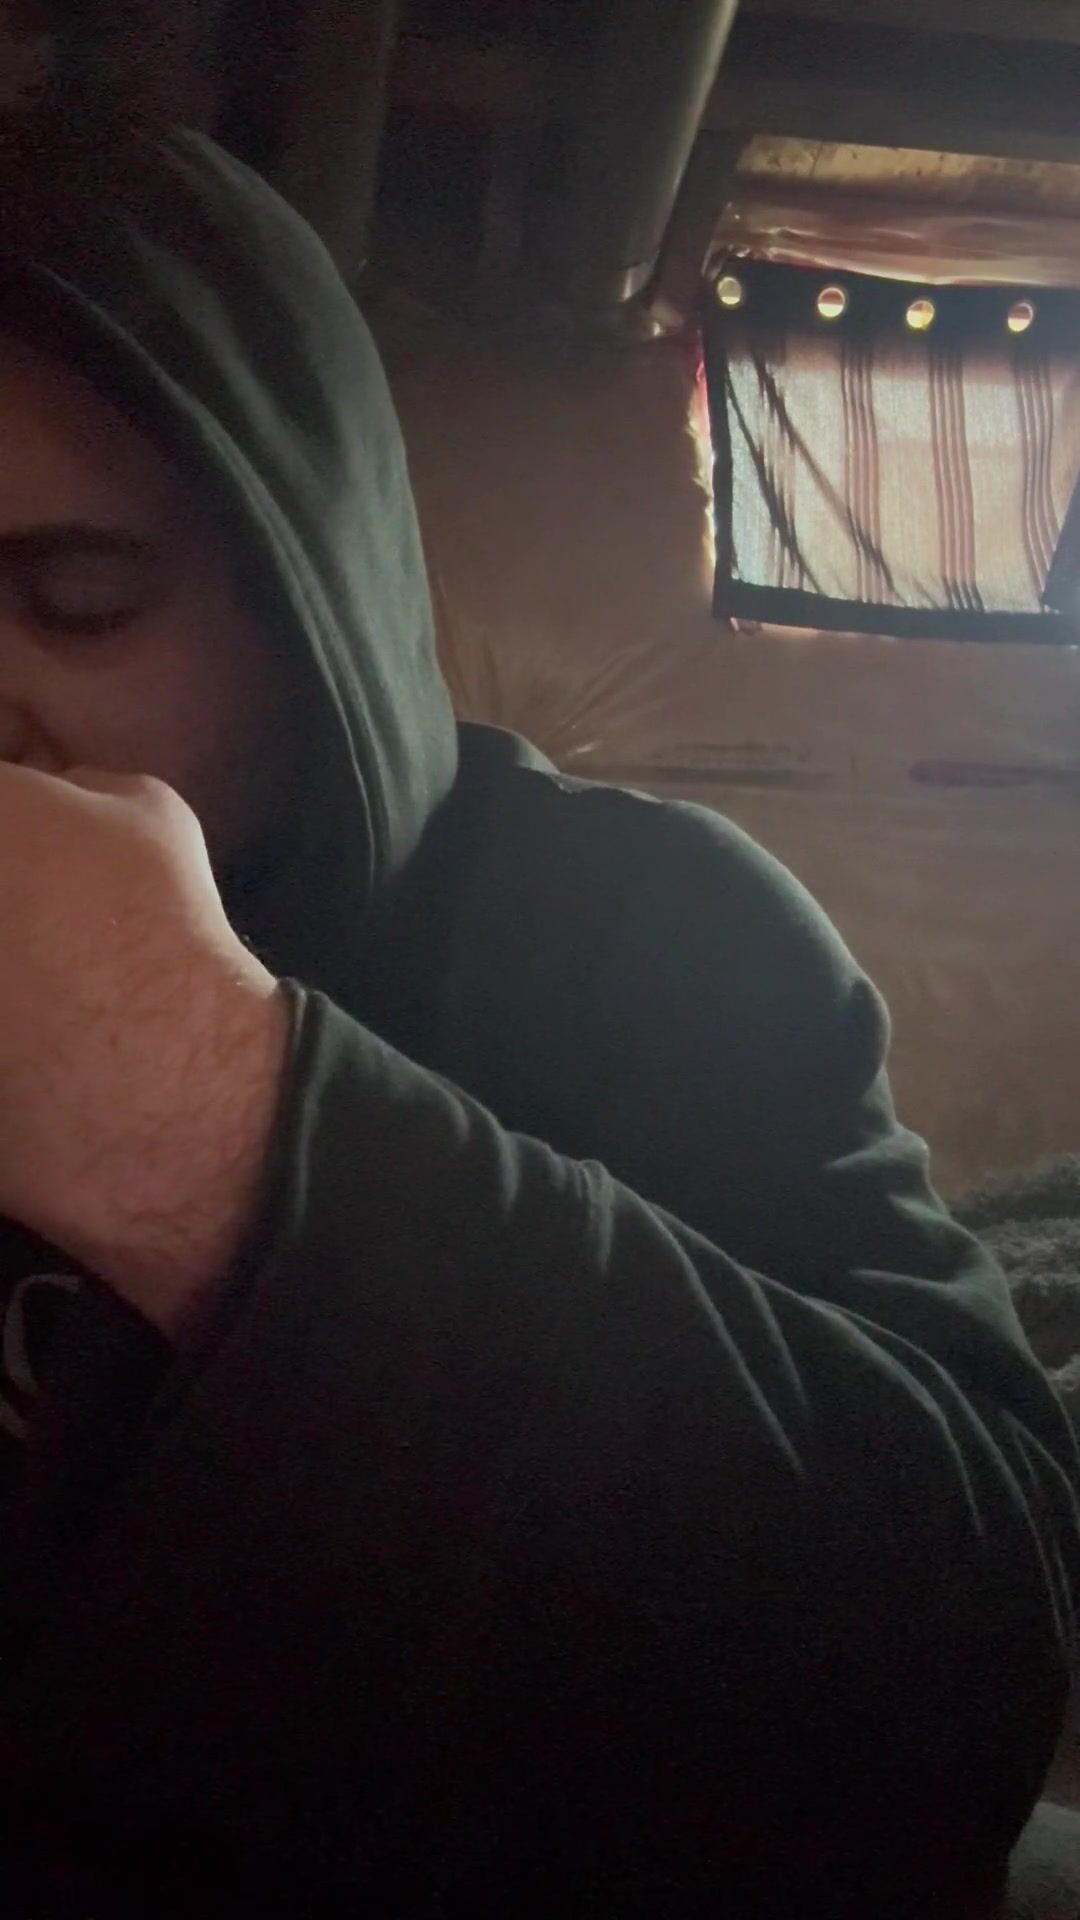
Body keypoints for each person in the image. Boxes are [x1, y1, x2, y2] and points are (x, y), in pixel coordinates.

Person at [0, 102, 1076, 1918]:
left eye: (79, 600)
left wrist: (213, 1123)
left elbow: (961, 1688)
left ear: (312, 599)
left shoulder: (643, 928)